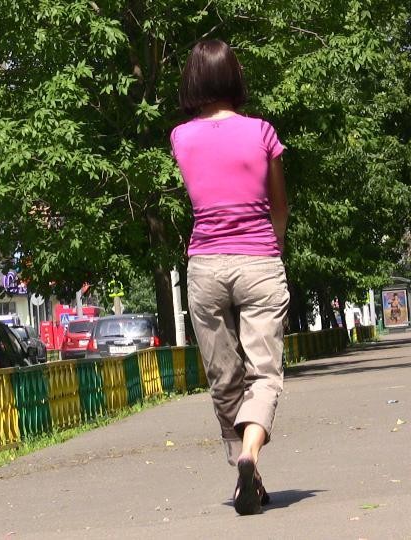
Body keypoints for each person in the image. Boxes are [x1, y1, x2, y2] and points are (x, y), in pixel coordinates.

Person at [171, 39, 289, 516]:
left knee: (224, 377)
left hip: (206, 264)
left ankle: (242, 465)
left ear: (195, 80)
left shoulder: (181, 138)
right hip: (259, 260)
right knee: (265, 373)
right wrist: (272, 250)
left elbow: (203, 193)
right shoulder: (263, 132)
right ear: (236, 78)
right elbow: (279, 206)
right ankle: (251, 457)